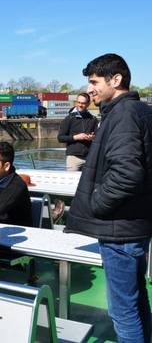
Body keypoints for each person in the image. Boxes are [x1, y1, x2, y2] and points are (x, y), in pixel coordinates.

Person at [65, 54, 152, 342]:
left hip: (119, 230)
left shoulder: (123, 114)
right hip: (134, 225)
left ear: (116, 80)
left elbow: (128, 173)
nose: (89, 89)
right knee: (137, 302)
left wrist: (96, 203)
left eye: (94, 82)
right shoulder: (138, 111)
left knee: (123, 312)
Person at [57, 93, 98, 171]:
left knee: (87, 182)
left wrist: (93, 137)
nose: (80, 105)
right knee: (72, 182)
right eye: (78, 102)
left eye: (83, 103)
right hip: (73, 158)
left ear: (88, 104)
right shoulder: (69, 119)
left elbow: (97, 136)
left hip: (89, 158)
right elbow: (60, 138)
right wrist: (75, 137)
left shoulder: (93, 119)